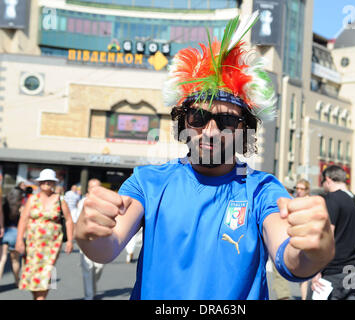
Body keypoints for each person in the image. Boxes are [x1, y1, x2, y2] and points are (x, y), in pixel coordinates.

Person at [74, 13, 335, 300]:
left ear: (243, 130)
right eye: (198, 116)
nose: (210, 131)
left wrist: (313, 250)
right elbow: (107, 247)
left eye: (226, 122)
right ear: (183, 122)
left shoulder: (261, 189)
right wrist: (91, 233)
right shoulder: (147, 182)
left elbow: (290, 259)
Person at [308, 165, 355, 300]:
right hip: (353, 270)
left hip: (333, 271)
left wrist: (317, 270)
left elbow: (328, 236)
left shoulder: (332, 199)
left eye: (323, 182)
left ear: (328, 179)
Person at [15, 168, 74, 300]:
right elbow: (23, 219)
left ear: (54, 183)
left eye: (50, 181)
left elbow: (69, 220)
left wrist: (70, 241)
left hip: (52, 244)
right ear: (39, 183)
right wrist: (19, 240)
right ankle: (37, 297)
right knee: (32, 271)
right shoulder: (32, 199)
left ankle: (42, 298)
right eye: (44, 181)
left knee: (48, 271)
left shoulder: (60, 200)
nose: (46, 183)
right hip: (33, 243)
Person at [76, 178, 105, 300]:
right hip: (86, 240)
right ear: (88, 189)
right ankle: (89, 295)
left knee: (99, 267)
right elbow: (77, 220)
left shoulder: (105, 203)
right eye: (92, 187)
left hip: (101, 240)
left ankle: (92, 288)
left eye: (97, 187)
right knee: (87, 268)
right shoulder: (82, 202)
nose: (95, 189)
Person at [0, 181, 26, 285]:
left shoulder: (4, 205)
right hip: (16, 233)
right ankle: (16, 280)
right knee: (15, 260)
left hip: (5, 231)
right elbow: (24, 222)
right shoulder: (21, 207)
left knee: (2, 259)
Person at [294, 179, 311, 300]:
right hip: (298, 238)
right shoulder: (294, 201)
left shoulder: (311, 202)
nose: (299, 191)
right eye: (297, 188)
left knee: (312, 272)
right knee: (303, 273)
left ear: (307, 190)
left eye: (302, 189)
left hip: (309, 238)